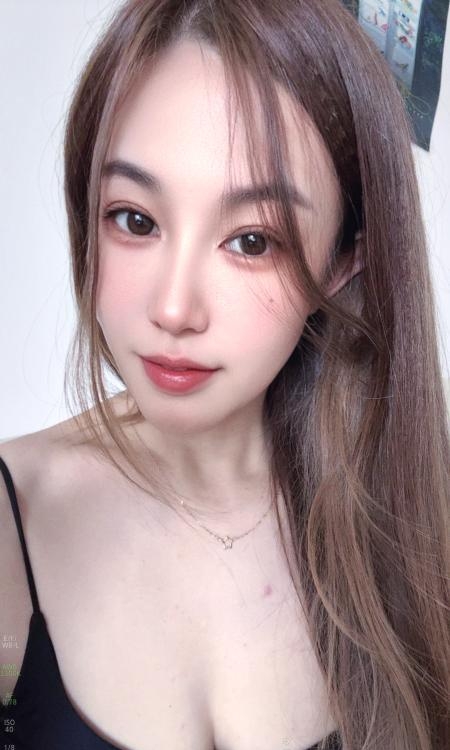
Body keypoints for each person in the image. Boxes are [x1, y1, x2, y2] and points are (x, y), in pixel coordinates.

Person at [0, 1, 448, 748]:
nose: (174, 308)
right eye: (135, 220)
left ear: (345, 259)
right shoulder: (13, 525)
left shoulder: (405, 525)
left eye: (252, 241)